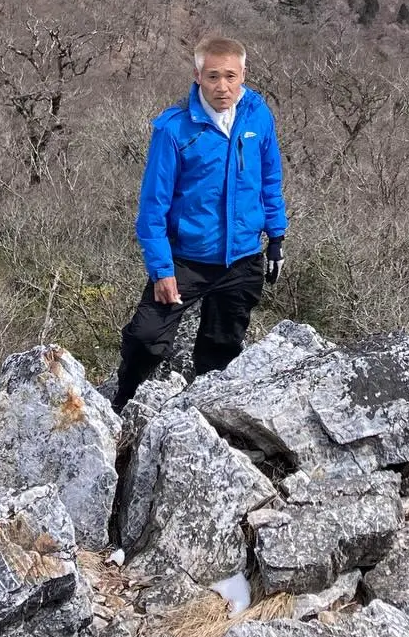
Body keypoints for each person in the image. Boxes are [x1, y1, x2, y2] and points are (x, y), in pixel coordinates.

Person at [111, 35, 287, 412]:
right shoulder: (174, 129)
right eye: (212, 77)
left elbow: (270, 178)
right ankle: (120, 406)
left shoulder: (258, 114)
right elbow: (152, 207)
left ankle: (205, 420)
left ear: (243, 74)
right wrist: (161, 270)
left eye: (230, 76)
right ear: (197, 76)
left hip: (241, 258)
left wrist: (276, 236)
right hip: (186, 259)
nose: (222, 87)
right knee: (146, 338)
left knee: (222, 347)